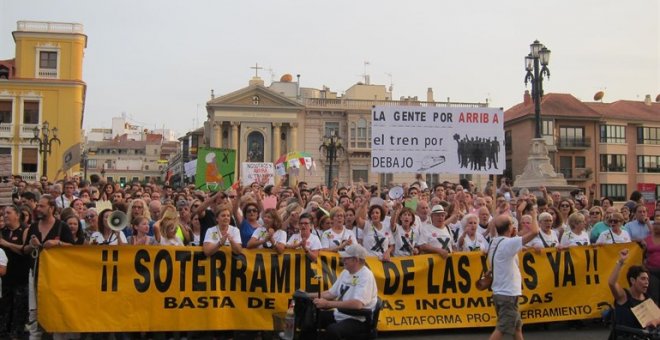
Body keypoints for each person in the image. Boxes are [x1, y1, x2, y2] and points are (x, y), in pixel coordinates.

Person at [488, 211, 539, 340]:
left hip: (501, 292)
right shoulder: (508, 244)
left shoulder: (494, 242)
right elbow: (535, 232)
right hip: (507, 294)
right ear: (510, 227)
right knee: (503, 328)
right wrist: (533, 213)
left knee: (516, 326)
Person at [311, 244, 378, 340]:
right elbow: (331, 293)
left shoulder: (366, 276)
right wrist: (307, 295)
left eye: (346, 258)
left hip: (358, 319)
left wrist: (327, 304)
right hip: (341, 314)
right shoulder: (346, 272)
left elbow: (357, 304)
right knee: (311, 319)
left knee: (333, 331)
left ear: (356, 260)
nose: (343, 260)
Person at [608, 248, 660, 337]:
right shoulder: (623, 296)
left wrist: (655, 321)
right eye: (643, 279)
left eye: (647, 279)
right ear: (632, 280)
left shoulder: (647, 298)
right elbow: (612, 283)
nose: (647, 282)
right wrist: (620, 262)